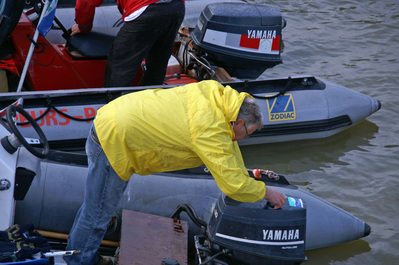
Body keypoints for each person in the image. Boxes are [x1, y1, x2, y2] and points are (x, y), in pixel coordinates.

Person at [64, 80, 286, 265]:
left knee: (95, 208)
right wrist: (266, 193)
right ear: (238, 122)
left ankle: (82, 256)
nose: (244, 138)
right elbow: (233, 184)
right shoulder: (210, 128)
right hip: (114, 140)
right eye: (247, 133)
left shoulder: (215, 95)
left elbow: (229, 150)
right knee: (97, 214)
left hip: (114, 122)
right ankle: (78, 261)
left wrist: (246, 176)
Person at [70, 0, 185, 87]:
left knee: (120, 66)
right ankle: (151, 105)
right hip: (176, 7)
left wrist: (83, 26)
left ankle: (114, 108)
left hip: (146, 9)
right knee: (158, 63)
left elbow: (86, 2)